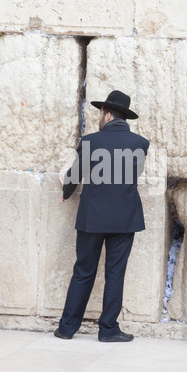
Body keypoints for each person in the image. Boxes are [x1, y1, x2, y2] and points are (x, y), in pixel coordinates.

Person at [55, 90, 149, 342]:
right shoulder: (140, 144)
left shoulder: (89, 142)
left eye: (99, 113)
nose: (99, 117)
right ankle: (108, 330)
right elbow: (131, 175)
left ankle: (66, 328)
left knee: (83, 272)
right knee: (115, 274)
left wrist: (65, 189)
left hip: (92, 219)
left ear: (107, 115)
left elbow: (74, 176)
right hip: (124, 218)